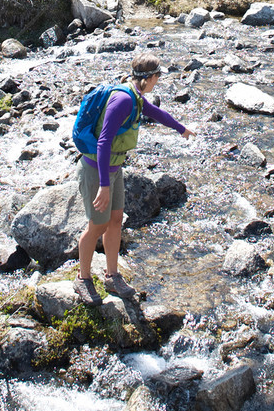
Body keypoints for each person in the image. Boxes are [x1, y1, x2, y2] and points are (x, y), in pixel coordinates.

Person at [74, 51, 195, 306]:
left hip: (114, 168)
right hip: (97, 169)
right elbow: (105, 141)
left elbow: (156, 113)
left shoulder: (136, 97)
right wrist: (104, 186)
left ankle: (112, 275)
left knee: (116, 220)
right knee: (97, 226)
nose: (158, 81)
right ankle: (82, 279)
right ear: (149, 77)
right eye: (158, 77)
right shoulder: (123, 101)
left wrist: (181, 128)